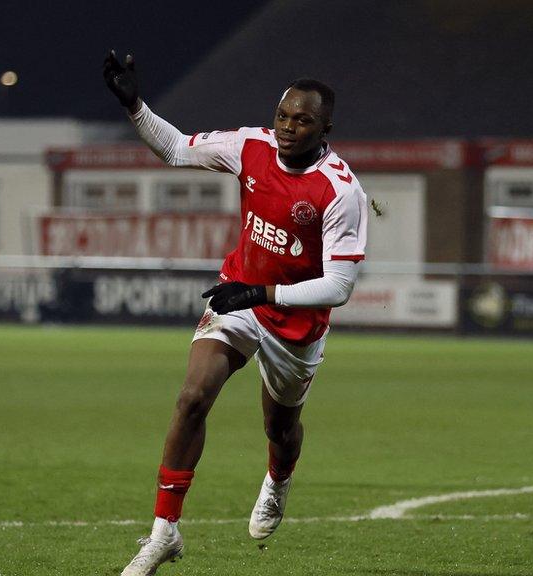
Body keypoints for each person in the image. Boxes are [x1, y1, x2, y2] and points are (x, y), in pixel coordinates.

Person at [103, 51, 368, 575]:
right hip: (239, 296)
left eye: (303, 120)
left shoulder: (341, 190)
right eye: (284, 116)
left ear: (326, 128)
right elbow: (177, 149)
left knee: (280, 427)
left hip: (295, 322)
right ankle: (163, 533)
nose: (289, 128)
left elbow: (338, 286)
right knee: (192, 397)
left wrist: (263, 294)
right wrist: (135, 105)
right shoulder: (250, 146)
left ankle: (278, 479)